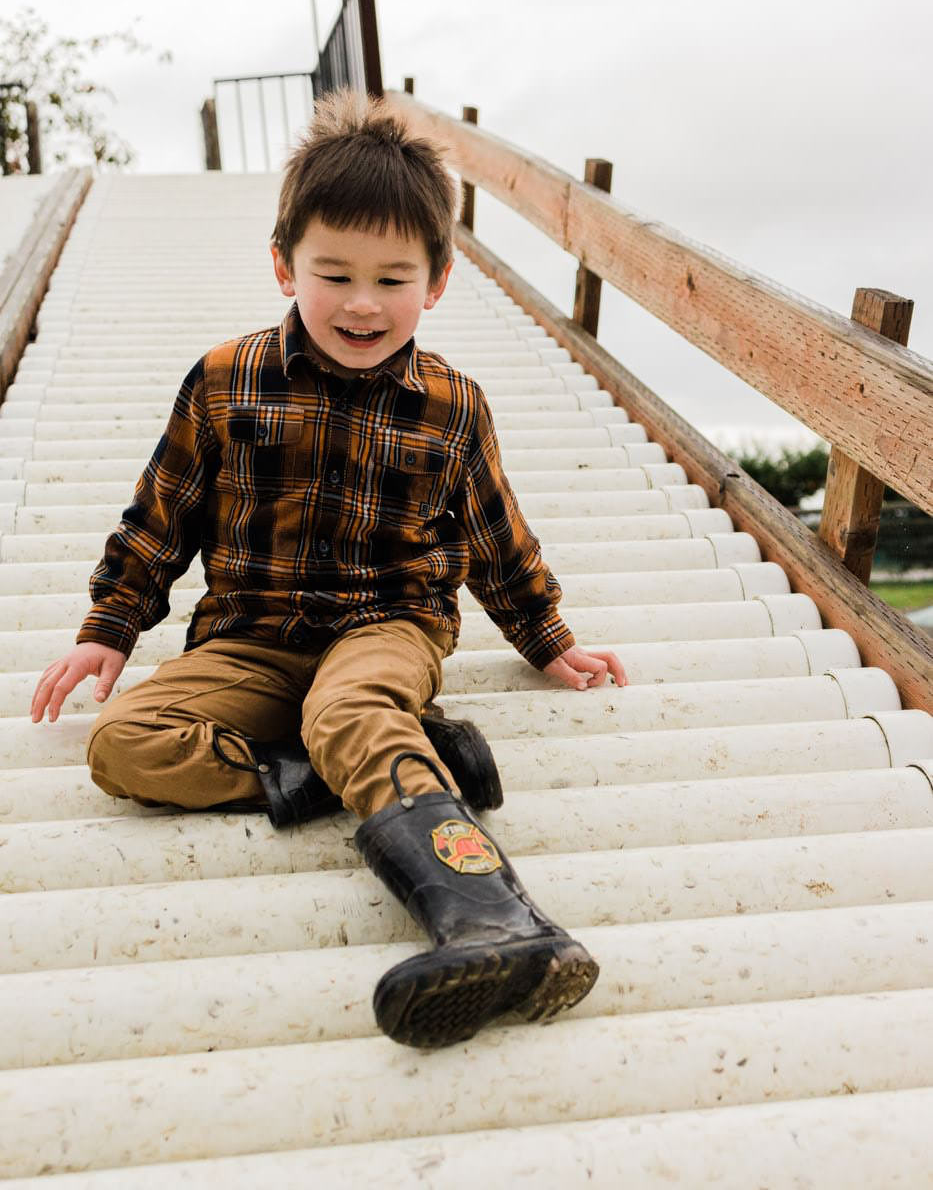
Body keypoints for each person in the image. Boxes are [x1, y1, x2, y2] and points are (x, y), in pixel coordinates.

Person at [30, 86, 628, 1047]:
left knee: (349, 706)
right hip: (250, 641)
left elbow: (494, 540)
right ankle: (387, 764)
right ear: (283, 266)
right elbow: (162, 515)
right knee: (124, 744)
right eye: (333, 273)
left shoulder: (453, 404)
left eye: (393, 278)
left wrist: (549, 641)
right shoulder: (225, 380)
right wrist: (108, 630)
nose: (361, 302)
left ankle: (496, 920)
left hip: (387, 628)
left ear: (436, 282)